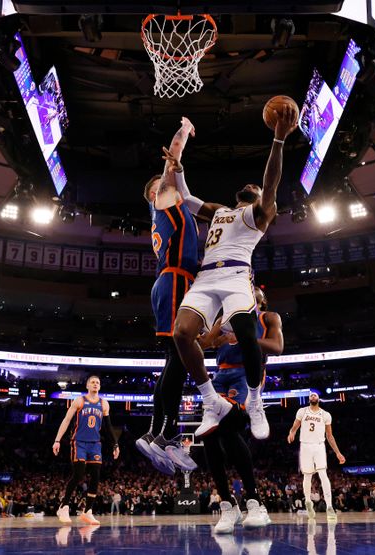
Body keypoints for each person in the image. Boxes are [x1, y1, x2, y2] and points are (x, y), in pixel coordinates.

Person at [172, 104, 297, 440]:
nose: (251, 185)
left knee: (244, 329)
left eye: (255, 187)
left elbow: (271, 183)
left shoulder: (260, 213)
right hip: (206, 276)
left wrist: (279, 140)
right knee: (181, 333)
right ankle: (210, 400)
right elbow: (184, 197)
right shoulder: (219, 211)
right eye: (251, 187)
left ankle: (256, 401)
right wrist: (179, 163)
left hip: (236, 275)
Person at [136, 117, 204, 474]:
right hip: (175, 281)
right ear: (156, 194)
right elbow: (172, 164)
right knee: (178, 360)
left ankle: (154, 432)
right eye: (168, 185)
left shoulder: (175, 208)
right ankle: (166, 434)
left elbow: (179, 175)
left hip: (173, 281)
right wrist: (180, 134)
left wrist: (184, 139)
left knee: (171, 362)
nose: (177, 186)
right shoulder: (162, 201)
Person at [197, 286, 284, 533]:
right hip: (221, 373)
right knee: (210, 434)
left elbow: (277, 347)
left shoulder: (269, 317)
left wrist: (242, 338)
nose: (248, 288)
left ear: (262, 300)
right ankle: (228, 504)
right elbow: (204, 343)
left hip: (247, 374)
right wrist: (202, 334)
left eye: (254, 288)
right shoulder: (224, 317)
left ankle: (255, 502)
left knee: (229, 424)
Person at [53, 375, 120, 525]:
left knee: (96, 475)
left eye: (98, 382)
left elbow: (108, 427)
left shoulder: (104, 404)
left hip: (95, 443)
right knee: (78, 474)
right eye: (92, 382)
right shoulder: (79, 401)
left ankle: (88, 511)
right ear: (87, 386)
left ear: (100, 386)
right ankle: (63, 506)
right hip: (79, 442)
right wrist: (57, 440)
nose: (95, 384)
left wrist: (115, 444)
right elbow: (66, 420)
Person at [287, 392, 346, 522]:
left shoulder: (325, 415)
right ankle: (308, 502)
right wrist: (291, 433)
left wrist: (338, 452)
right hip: (306, 446)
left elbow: (330, 436)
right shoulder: (302, 411)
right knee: (307, 476)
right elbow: (295, 426)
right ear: (309, 399)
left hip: (319, 445)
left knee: (323, 474)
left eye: (315, 395)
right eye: (311, 395)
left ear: (318, 399)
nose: (313, 397)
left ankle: (330, 506)